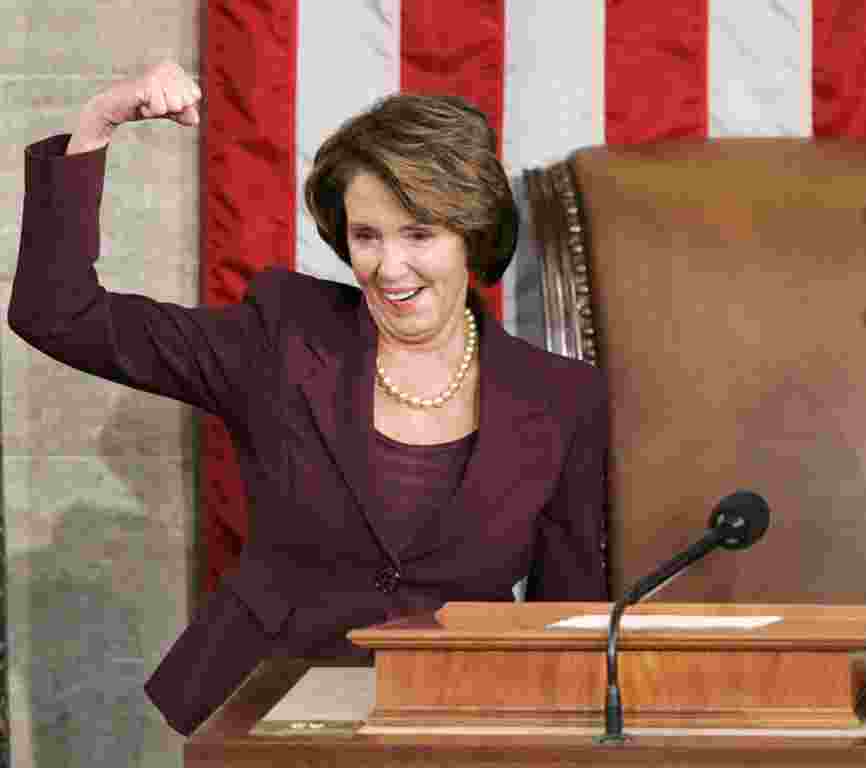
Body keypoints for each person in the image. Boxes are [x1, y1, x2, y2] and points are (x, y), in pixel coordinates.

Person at [8, 60, 610, 736]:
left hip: (458, 723)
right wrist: (101, 120)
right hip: (266, 711)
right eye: (366, 236)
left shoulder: (561, 399)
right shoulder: (281, 339)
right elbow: (58, 315)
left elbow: (566, 618)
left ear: (472, 235)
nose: (389, 266)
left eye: (419, 233)